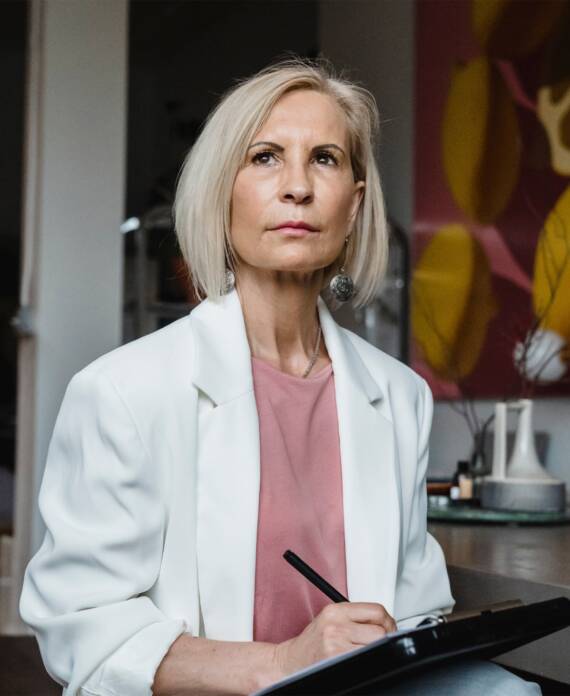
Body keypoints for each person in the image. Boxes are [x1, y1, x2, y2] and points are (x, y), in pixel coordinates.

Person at [19, 57, 540, 696]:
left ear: (354, 204)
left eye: (324, 159)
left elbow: (414, 607)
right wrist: (285, 662)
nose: (297, 186)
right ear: (223, 193)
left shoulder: (400, 395)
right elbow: (83, 629)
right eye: (265, 157)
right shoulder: (124, 391)